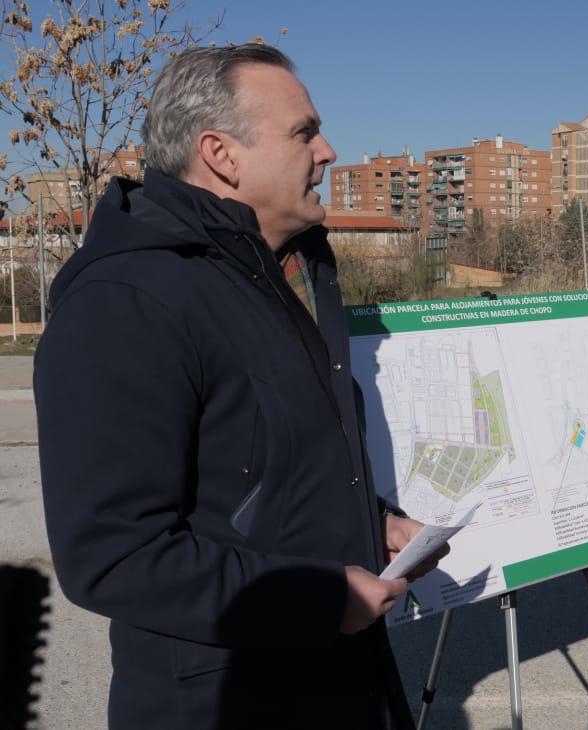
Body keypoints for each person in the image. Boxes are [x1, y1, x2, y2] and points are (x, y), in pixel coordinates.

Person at [34, 44, 445, 729]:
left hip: (333, 680)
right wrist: (315, 599)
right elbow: (112, 554)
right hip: (225, 702)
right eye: (304, 133)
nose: (329, 152)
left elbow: (271, 459)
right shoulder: (126, 299)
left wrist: (372, 524)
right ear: (221, 154)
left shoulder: (284, 273)